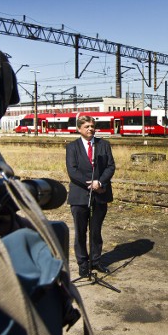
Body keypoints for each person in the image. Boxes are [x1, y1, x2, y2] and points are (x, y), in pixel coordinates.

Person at [66, 115, 116, 277]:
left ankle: (96, 261)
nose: (90, 129)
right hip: (80, 195)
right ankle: (82, 263)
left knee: (96, 231)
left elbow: (110, 166)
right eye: (87, 126)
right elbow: (72, 171)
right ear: (79, 129)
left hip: (100, 194)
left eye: (92, 126)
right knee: (80, 232)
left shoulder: (104, 145)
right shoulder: (72, 147)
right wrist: (91, 184)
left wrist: (100, 183)